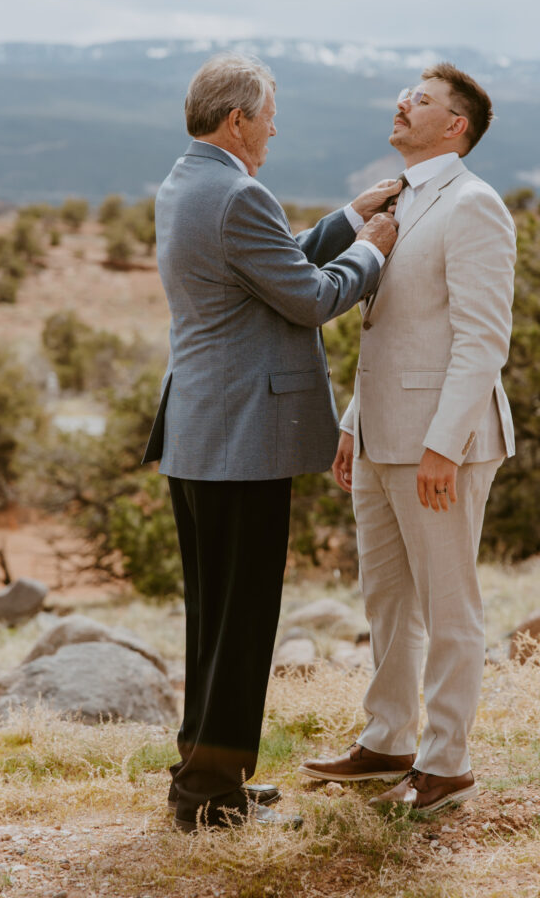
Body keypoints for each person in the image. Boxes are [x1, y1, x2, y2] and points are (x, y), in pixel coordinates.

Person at [142, 53, 400, 831]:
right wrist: (373, 249)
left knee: (214, 621)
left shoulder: (189, 182)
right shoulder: (238, 192)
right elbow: (309, 296)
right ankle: (210, 801)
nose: (274, 128)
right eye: (267, 116)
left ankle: (201, 779)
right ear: (236, 121)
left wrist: (346, 218)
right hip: (241, 441)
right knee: (243, 620)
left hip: (203, 435)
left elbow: (269, 262)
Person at [299, 63, 516, 815]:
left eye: (420, 100)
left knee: (447, 604)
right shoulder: (397, 199)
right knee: (386, 599)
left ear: (455, 126)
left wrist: (442, 446)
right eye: (405, 94)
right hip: (378, 436)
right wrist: (354, 423)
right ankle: (387, 741)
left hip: (439, 446)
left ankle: (446, 762)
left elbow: (480, 341)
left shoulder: (474, 206)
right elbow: (389, 332)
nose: (402, 103)